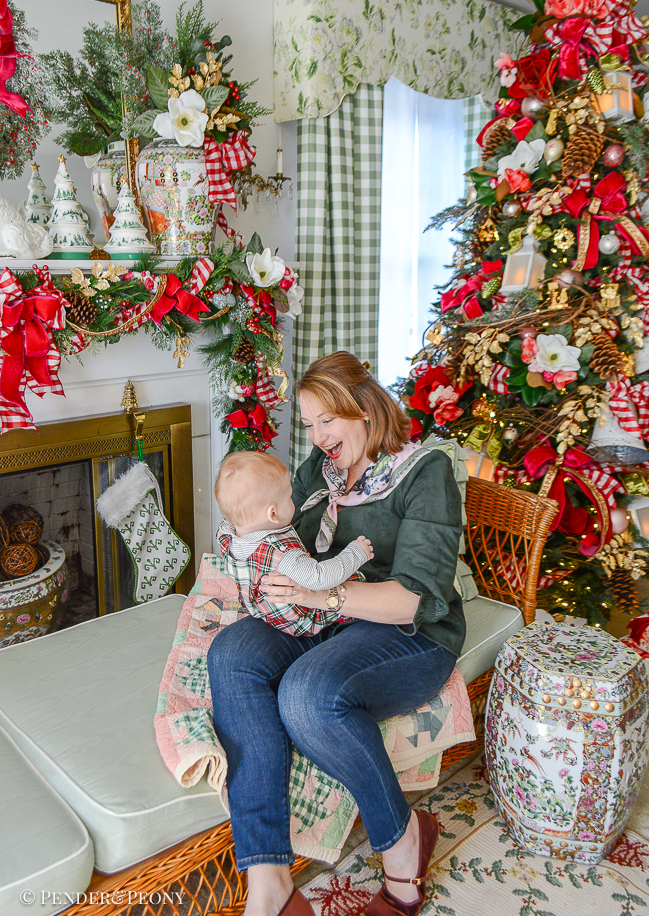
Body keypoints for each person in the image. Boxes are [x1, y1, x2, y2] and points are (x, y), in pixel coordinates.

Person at [207, 351, 466, 916]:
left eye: (328, 419)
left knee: (307, 694)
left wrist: (320, 595)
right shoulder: (318, 472)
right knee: (231, 652)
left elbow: (413, 598)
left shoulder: (425, 472)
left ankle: (402, 844)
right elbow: (275, 530)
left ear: (364, 409)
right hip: (325, 616)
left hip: (410, 632)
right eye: (309, 423)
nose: (318, 435)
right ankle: (270, 878)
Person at [214, 451, 374, 636]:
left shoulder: (228, 534)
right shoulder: (282, 554)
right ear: (273, 514)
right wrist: (356, 553)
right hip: (304, 620)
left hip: (266, 613)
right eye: (289, 497)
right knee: (354, 584)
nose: (293, 501)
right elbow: (319, 578)